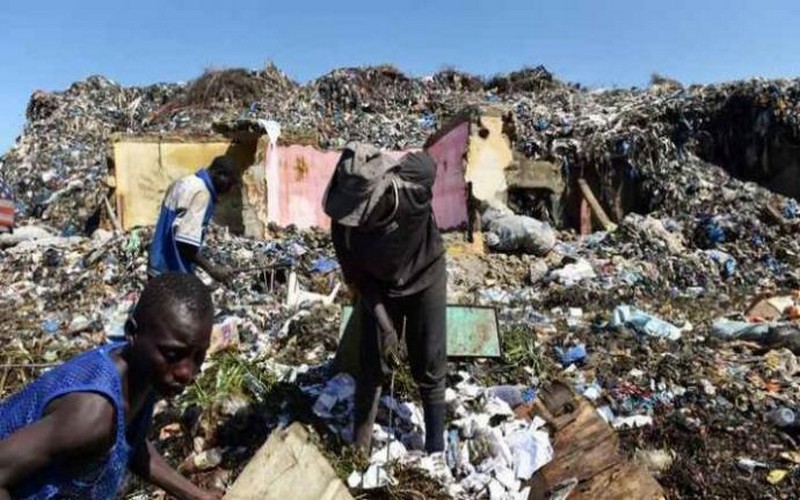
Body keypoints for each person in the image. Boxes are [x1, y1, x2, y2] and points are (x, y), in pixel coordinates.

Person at [0, 273, 221, 500]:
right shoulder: (93, 418)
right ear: (132, 332)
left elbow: (131, 443)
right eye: (173, 353)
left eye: (198, 356)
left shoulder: (144, 374)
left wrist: (194, 495)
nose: (186, 372)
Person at [323, 142, 447, 454]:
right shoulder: (344, 230)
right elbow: (360, 281)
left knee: (429, 361)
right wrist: (387, 327)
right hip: (380, 289)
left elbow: (426, 161)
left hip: (426, 276)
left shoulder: (412, 184)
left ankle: (435, 447)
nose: (356, 221)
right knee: (372, 363)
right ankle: (360, 446)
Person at [148, 156, 237, 285]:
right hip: (173, 271)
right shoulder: (202, 193)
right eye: (230, 183)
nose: (229, 190)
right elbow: (185, 242)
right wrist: (212, 270)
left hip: (157, 264)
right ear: (218, 173)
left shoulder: (184, 182)